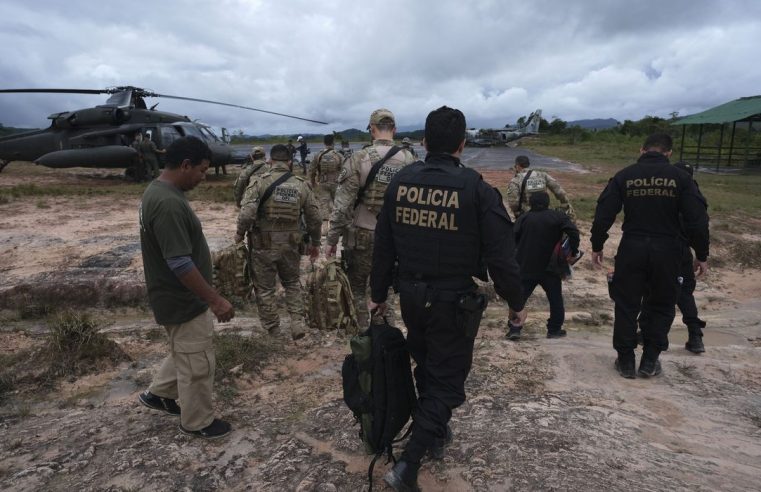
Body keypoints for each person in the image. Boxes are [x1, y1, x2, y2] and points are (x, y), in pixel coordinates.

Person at [369, 106, 527, 491]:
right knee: (448, 382)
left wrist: (377, 295)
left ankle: (434, 434)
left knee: (426, 363)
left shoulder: (401, 181)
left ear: (424, 142)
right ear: (462, 144)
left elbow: (383, 243)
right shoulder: (476, 189)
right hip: (452, 301)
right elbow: (501, 257)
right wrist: (516, 302)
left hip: (410, 295)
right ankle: (407, 466)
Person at [137, 136, 234, 439]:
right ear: (185, 165)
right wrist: (215, 300)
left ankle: (159, 394)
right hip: (182, 298)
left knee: (185, 350)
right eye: (202, 171)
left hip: (174, 297)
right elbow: (179, 263)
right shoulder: (167, 204)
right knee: (197, 360)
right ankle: (198, 422)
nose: (203, 178)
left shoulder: (160, 191)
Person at [591, 134, 709, 379]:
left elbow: (604, 212)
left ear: (642, 149)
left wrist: (597, 244)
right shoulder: (682, 179)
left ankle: (625, 361)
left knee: (626, 305)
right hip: (668, 250)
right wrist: (701, 254)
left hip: (632, 247)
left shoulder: (625, 175)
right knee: (663, 304)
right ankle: (649, 360)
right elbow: (697, 221)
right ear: (669, 153)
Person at [324, 108, 416, 327]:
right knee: (387, 290)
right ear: (394, 129)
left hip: (362, 235)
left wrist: (331, 240)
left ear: (372, 130)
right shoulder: (409, 160)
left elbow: (342, 205)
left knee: (357, 288)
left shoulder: (358, 159)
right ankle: (389, 336)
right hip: (395, 237)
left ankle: (364, 337)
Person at [235, 144, 321, 340]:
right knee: (291, 282)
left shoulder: (258, 183)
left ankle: (273, 330)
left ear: (270, 161)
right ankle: (297, 322)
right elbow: (315, 218)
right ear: (290, 162)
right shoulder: (301, 185)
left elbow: (246, 213)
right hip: (291, 244)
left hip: (263, 245)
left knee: (265, 288)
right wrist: (315, 242)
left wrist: (239, 234)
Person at [639, 161, 709, 354]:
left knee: (652, 291)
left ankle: (652, 336)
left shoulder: (663, 194)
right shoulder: (695, 197)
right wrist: (701, 255)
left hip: (657, 249)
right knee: (684, 294)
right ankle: (695, 336)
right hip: (681, 252)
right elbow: (700, 228)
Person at [508, 191, 579, 340]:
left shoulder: (524, 218)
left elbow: (511, 238)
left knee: (518, 299)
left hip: (526, 266)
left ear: (530, 203)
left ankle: (515, 329)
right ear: (547, 203)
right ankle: (554, 330)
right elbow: (573, 231)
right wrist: (573, 250)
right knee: (555, 300)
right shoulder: (557, 216)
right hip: (550, 267)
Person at [506, 155, 573, 219]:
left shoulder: (516, 180)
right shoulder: (542, 175)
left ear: (517, 166)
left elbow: (513, 203)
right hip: (545, 212)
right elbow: (558, 190)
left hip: (527, 215)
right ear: (528, 164)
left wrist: (517, 213)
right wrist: (564, 203)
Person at [309, 134, 345, 220]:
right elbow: (346, 170)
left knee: (324, 205)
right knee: (337, 204)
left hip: (323, 183)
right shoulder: (339, 155)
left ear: (324, 142)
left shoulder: (318, 155)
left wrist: (313, 183)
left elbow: (312, 171)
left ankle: (325, 227)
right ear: (333, 142)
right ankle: (336, 223)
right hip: (336, 183)